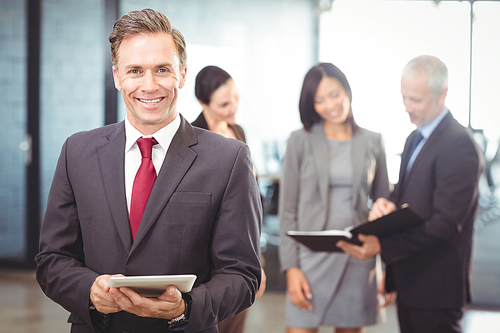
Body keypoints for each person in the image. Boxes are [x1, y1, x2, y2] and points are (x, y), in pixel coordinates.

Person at [35, 8, 262, 333]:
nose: (150, 85)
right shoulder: (77, 152)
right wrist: (89, 291)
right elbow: (51, 259)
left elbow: (242, 274)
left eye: (162, 69)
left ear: (182, 74)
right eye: (135, 71)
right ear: (117, 77)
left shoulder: (229, 159)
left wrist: (186, 307)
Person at [337, 55, 484, 333]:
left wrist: (382, 246)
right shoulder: (414, 138)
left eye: (416, 100)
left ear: (442, 94)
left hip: (437, 288)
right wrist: (386, 203)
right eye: (404, 97)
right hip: (411, 281)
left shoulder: (459, 145)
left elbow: (446, 223)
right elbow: (406, 195)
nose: (407, 107)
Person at [279, 63, 390, 333]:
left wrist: (389, 266)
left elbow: (384, 206)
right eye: (319, 99)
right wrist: (291, 269)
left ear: (347, 91)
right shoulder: (299, 141)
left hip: (357, 257)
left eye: (335, 94)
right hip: (309, 259)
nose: (330, 104)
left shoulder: (373, 141)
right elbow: (287, 210)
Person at [191, 65, 266, 333]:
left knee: (236, 320)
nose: (233, 107)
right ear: (203, 103)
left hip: (243, 244)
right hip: (209, 253)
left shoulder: (239, 132)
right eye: (224, 103)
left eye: (235, 97)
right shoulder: (191, 139)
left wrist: (256, 257)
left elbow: (250, 198)